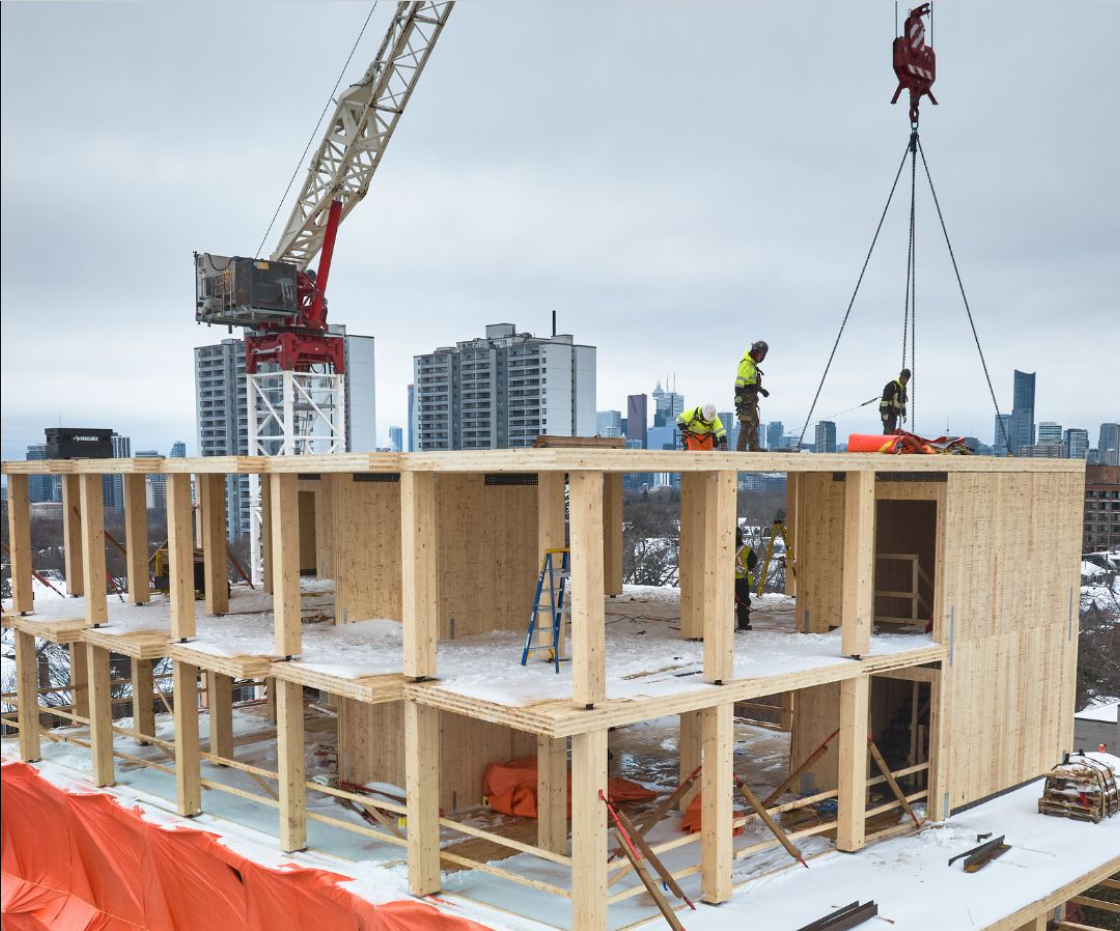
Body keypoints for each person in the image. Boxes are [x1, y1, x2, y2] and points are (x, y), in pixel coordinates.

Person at [735, 340, 769, 451]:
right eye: (760, 354)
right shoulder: (746, 365)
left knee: (754, 423)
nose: (761, 357)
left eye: (762, 356)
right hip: (746, 397)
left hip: (751, 396)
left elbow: (751, 383)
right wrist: (739, 398)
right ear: (755, 352)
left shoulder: (752, 366)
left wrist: (761, 390)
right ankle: (741, 448)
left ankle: (754, 447)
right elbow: (740, 383)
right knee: (747, 422)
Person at [735, 527, 758, 631]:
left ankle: (722, 624)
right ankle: (743, 624)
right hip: (742, 580)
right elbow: (752, 562)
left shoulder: (723, 548)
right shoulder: (746, 550)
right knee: (743, 602)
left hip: (726, 579)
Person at [880, 368, 911, 434]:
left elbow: (903, 403)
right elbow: (884, 401)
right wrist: (885, 414)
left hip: (894, 412)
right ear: (901, 376)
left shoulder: (904, 388)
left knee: (892, 429)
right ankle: (886, 440)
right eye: (904, 377)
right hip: (888, 411)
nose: (905, 380)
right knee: (889, 430)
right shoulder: (892, 385)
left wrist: (904, 414)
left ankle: (889, 439)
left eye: (907, 379)